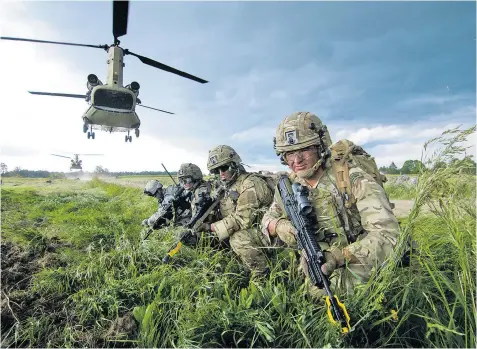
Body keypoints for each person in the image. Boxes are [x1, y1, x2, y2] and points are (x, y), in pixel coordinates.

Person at [261, 111, 400, 298]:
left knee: (324, 296)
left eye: (304, 150)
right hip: (318, 260)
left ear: (321, 146)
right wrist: (279, 226)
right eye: (289, 153)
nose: (296, 160)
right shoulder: (291, 185)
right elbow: (267, 219)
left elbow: (388, 235)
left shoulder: (352, 178)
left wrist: (339, 256)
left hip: (359, 257)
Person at [202, 145, 274, 277]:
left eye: (224, 168)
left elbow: (242, 219)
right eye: (215, 171)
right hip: (252, 230)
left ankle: (262, 273)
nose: (220, 173)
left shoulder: (250, 183)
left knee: (237, 238)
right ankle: (240, 262)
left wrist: (209, 227)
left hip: (267, 230)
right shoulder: (225, 186)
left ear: (234, 165)